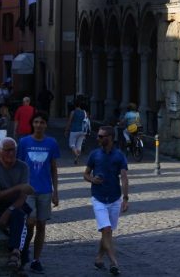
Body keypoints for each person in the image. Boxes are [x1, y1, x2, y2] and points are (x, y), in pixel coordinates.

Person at [84, 125, 130, 276]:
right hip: (98, 198)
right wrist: (92, 179)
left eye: (101, 136)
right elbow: (85, 174)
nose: (98, 138)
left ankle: (98, 258)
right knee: (107, 229)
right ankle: (114, 262)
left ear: (110, 138)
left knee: (107, 232)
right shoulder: (94, 154)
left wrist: (125, 198)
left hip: (114, 198)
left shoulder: (119, 156)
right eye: (98, 136)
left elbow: (124, 177)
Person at [17, 112, 60, 274]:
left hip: (45, 190)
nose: (39, 125)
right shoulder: (24, 142)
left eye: (42, 122)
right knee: (29, 223)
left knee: (41, 225)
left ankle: (36, 259)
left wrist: (56, 191)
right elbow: (19, 166)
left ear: (45, 125)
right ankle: (24, 250)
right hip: (28, 190)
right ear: (32, 124)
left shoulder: (52, 143)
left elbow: (54, 168)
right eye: (36, 122)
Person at [0, 137, 35, 269]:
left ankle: (16, 252)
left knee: (30, 219)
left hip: (16, 204)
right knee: (21, 219)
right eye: (7, 150)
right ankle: (21, 256)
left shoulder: (23, 167)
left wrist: (10, 210)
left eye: (13, 150)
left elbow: (23, 196)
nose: (11, 153)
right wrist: (18, 187)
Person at [64, 97, 90, 165]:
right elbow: (87, 121)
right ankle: (76, 158)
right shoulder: (84, 112)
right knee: (79, 145)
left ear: (74, 105)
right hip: (82, 131)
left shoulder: (73, 112)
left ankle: (77, 155)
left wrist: (66, 130)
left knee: (71, 145)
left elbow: (69, 122)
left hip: (74, 130)